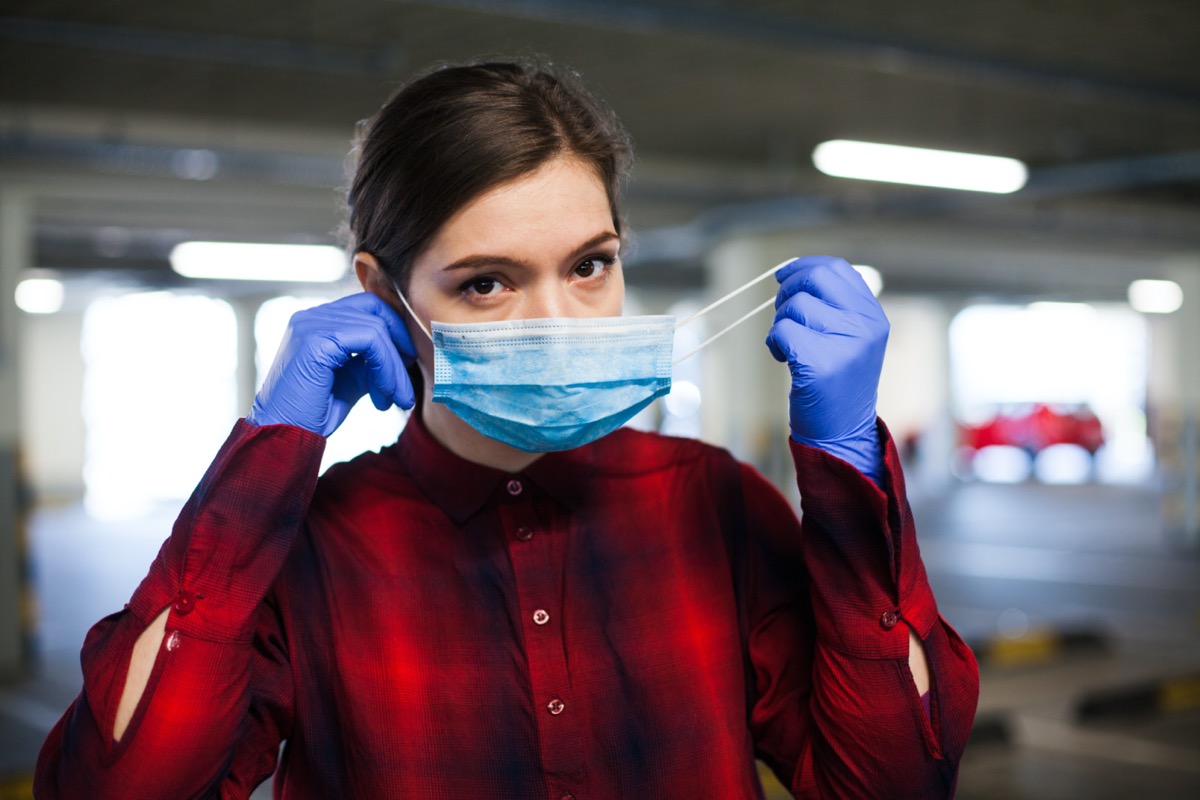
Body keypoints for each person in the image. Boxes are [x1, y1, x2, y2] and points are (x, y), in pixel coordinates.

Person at [35, 59, 978, 799]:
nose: (560, 324)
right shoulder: (311, 546)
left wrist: (846, 456)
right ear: (383, 295)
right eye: (486, 282)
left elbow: (891, 781)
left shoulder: (714, 501)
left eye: (589, 266)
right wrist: (264, 467)